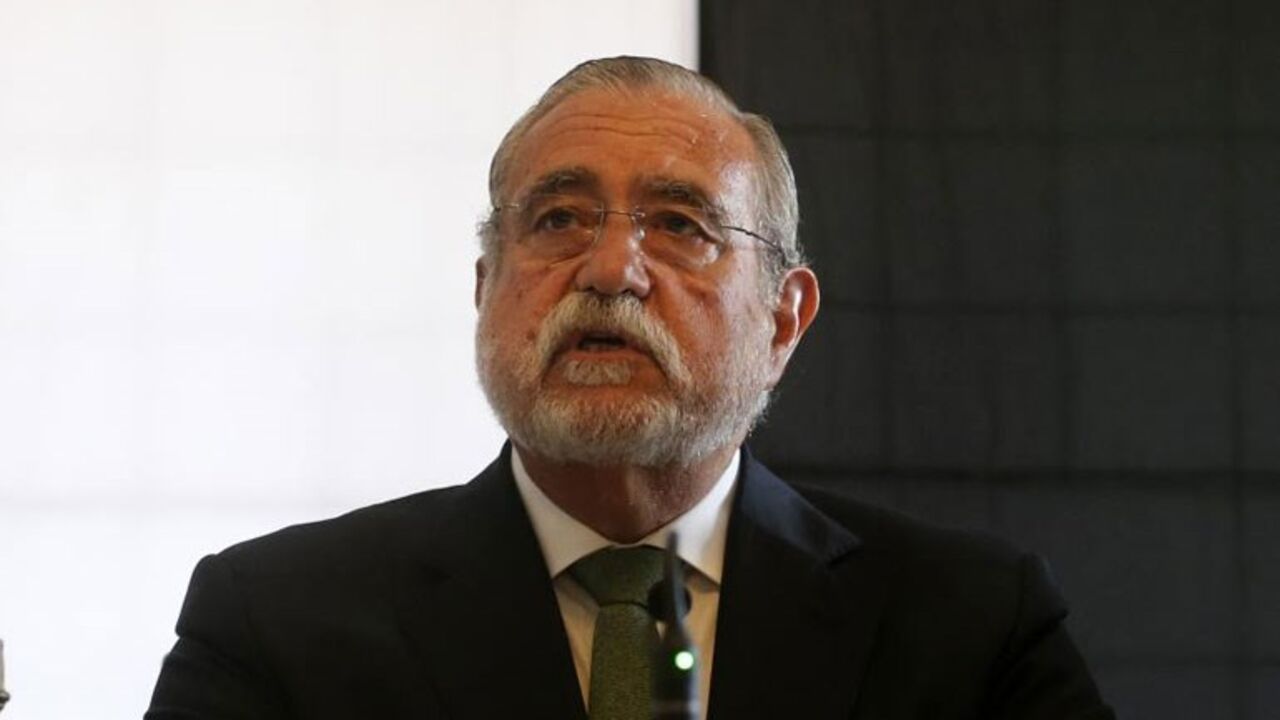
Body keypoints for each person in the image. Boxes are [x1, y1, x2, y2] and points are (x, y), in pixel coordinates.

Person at [146, 56, 1114, 720]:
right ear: (486, 291)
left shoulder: (969, 627)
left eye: (681, 225)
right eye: (558, 218)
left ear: (782, 320)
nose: (611, 270)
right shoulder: (272, 623)